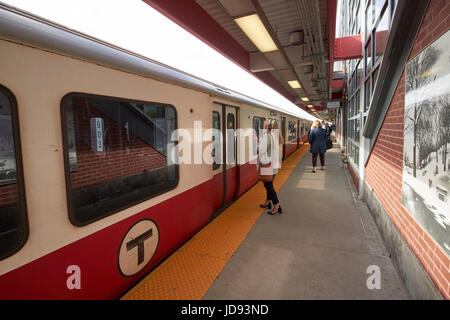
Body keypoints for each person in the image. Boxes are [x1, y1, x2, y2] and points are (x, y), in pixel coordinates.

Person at [258, 119, 282, 215]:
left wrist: (256, 143)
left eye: (264, 126)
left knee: (268, 186)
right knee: (269, 184)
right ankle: (267, 202)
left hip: (268, 164)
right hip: (275, 164)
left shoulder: (268, 136)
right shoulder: (278, 136)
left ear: (268, 127)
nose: (263, 127)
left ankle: (276, 205)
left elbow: (261, 150)